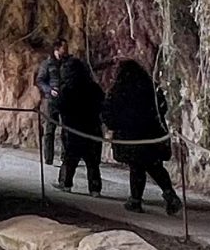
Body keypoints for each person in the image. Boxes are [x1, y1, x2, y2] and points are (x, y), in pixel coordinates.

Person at [104, 58, 181, 216]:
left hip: (130, 136)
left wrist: (114, 126)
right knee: (154, 165)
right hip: (150, 134)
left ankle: (136, 200)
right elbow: (161, 107)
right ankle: (168, 195)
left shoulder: (118, 90)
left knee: (137, 167)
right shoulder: (150, 87)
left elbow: (109, 113)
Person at [45, 45, 106, 195]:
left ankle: (66, 184)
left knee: (70, 159)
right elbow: (103, 105)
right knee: (93, 162)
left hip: (73, 130)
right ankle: (95, 189)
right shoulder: (94, 88)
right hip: (93, 130)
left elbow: (58, 105)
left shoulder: (67, 89)